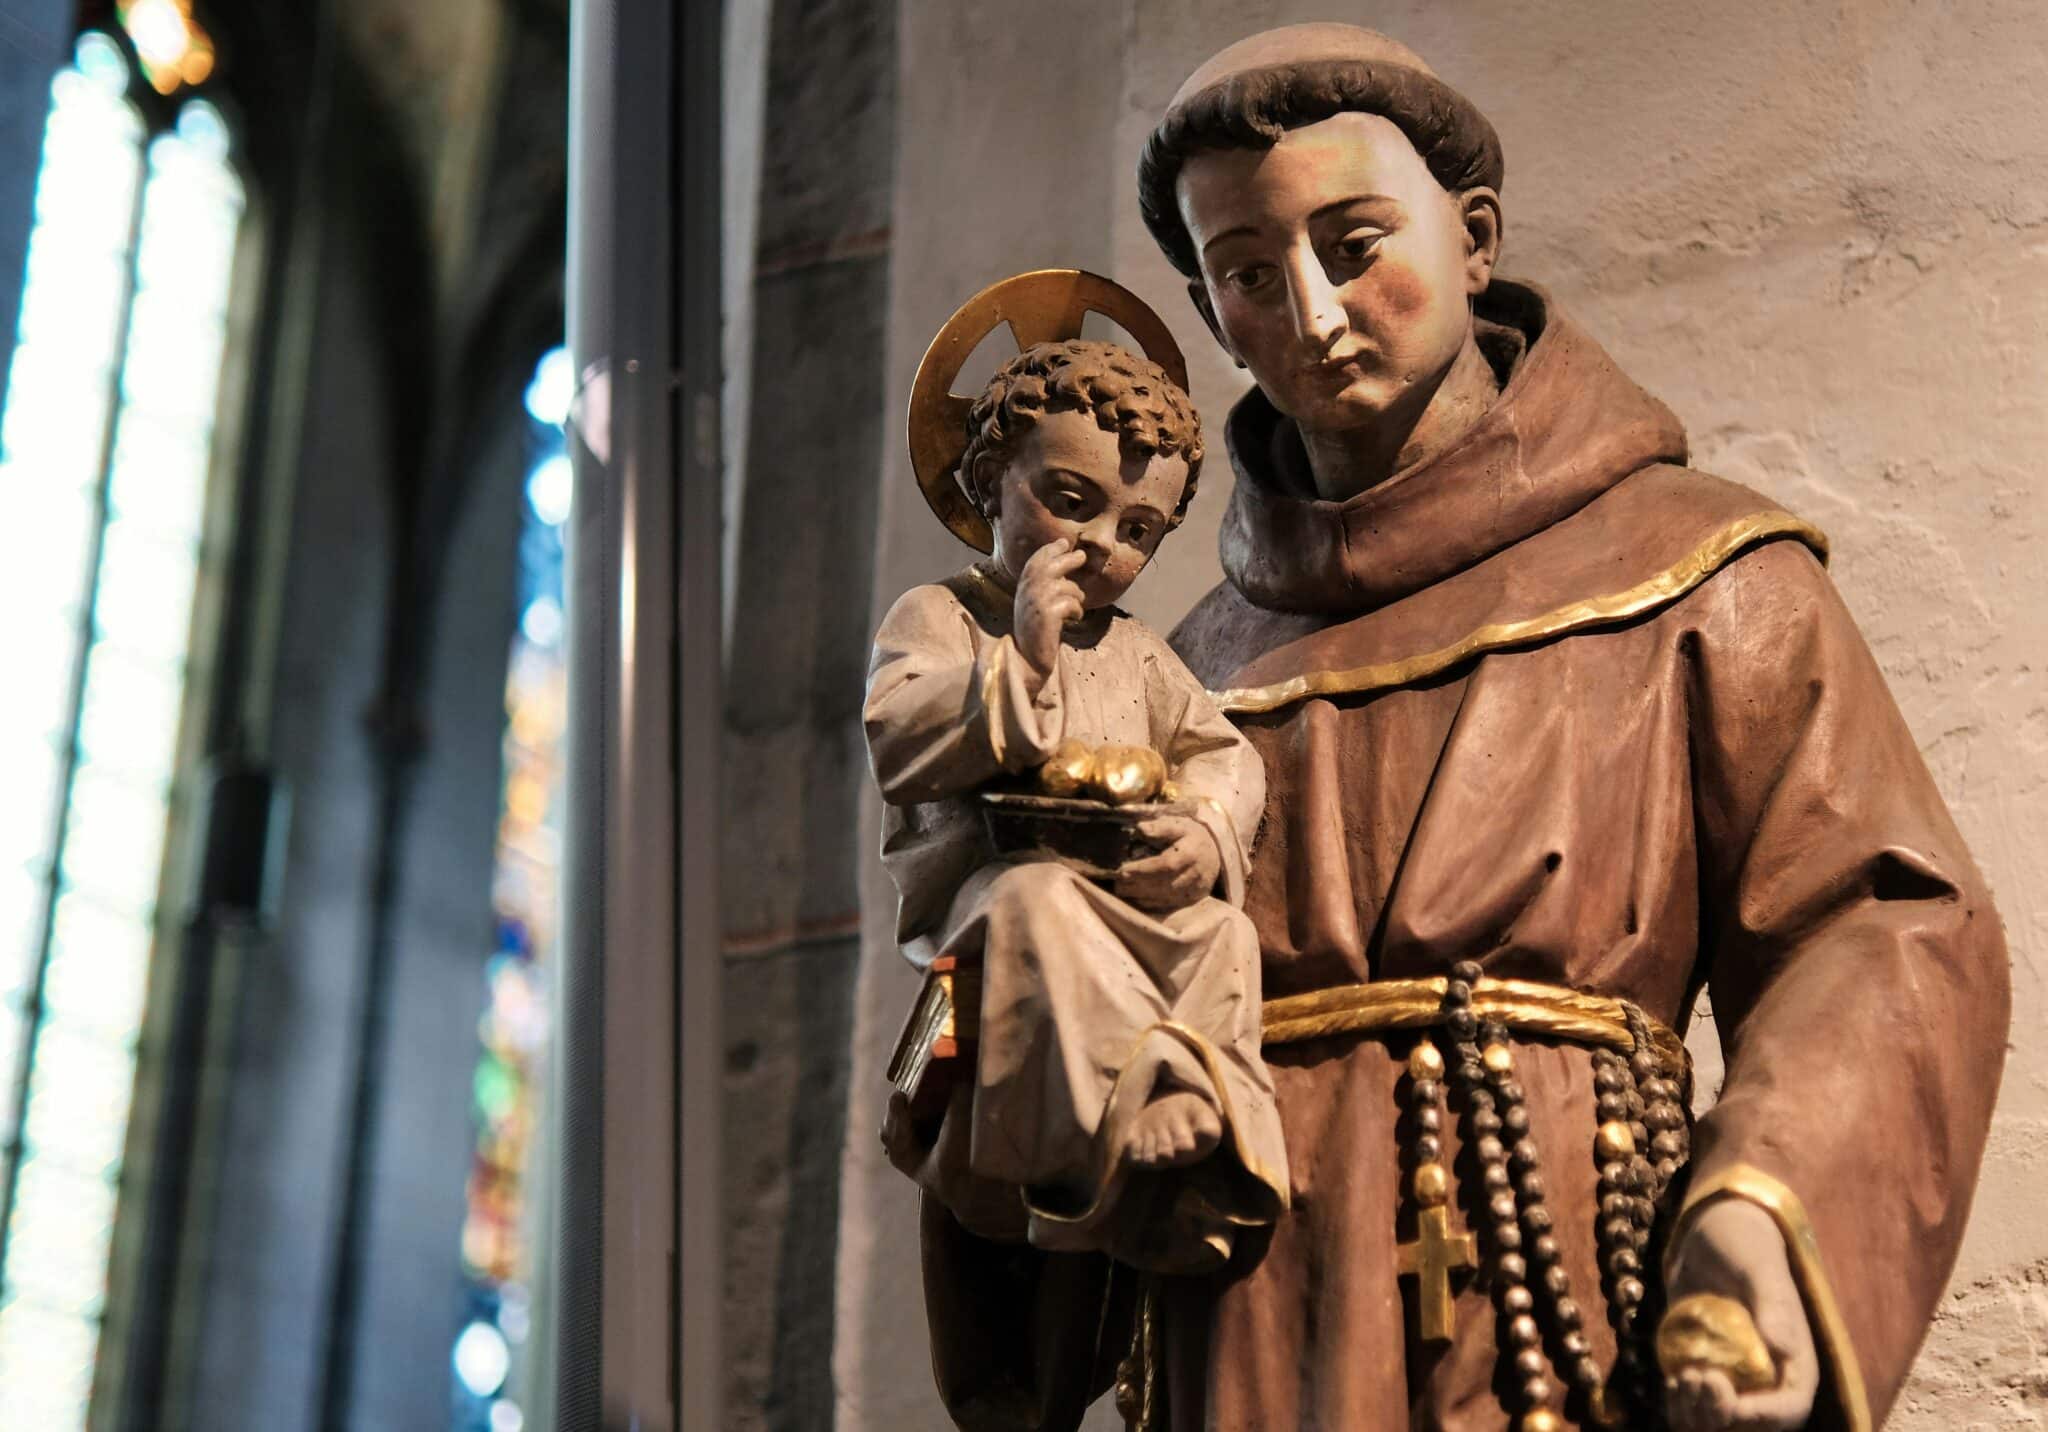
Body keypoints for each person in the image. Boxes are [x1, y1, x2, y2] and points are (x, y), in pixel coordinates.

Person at [901, 24, 2010, 1432]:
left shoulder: (1699, 580)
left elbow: (1885, 925)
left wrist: (1766, 1214)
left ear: (1475, 237)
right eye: (1248, 273)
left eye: (1355, 243)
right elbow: (1022, 1029)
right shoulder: (1172, 687)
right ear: (1206, 306)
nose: (1310, 313)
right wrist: (968, 1042)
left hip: (1551, 1313)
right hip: (1235, 1326)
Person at [865, 338, 1288, 1277]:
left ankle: (1194, 1096)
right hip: (993, 898)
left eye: (1138, 529)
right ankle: (1112, 1113)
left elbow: (1222, 757)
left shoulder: (1138, 651)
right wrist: (1021, 655)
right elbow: (899, 734)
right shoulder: (940, 617)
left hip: (1128, 893)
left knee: (1223, 936)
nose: (1101, 544)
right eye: (1069, 502)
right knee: (1038, 905)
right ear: (986, 480)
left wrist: (1205, 832)